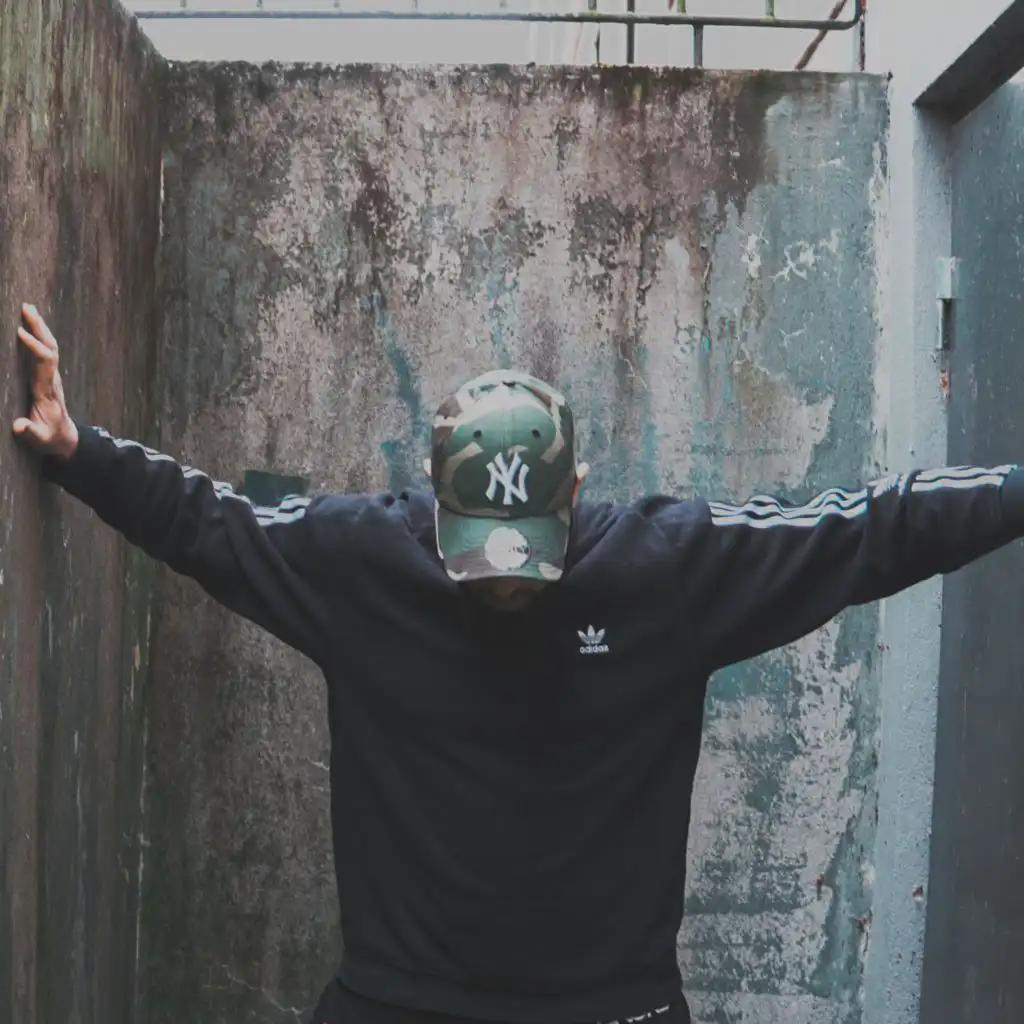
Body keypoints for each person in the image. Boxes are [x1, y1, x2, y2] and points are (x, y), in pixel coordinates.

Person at [12, 301, 1023, 1024]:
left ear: (576, 491)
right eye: (479, 549)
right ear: (433, 494)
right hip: (398, 1000)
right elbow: (209, 522)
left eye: (528, 548)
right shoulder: (362, 562)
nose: (505, 581)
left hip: (610, 1006)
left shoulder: (664, 570)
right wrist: (77, 450)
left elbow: (868, 529)